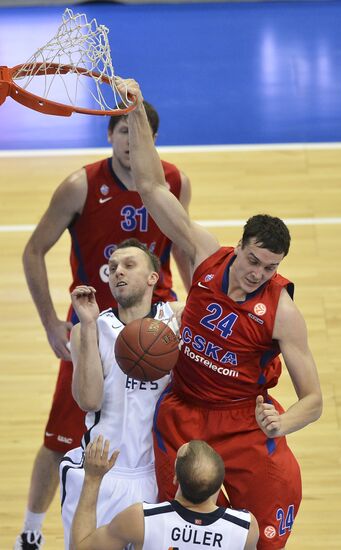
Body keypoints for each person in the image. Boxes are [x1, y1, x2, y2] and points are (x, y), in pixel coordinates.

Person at [115, 78, 323, 550]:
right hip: (184, 411)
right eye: (253, 261)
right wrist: (136, 113)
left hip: (242, 421)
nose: (257, 273)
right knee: (174, 537)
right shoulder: (206, 256)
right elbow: (150, 185)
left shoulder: (282, 312)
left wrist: (284, 422)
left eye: (269, 267)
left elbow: (314, 400)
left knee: (271, 523)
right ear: (240, 246)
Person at [15, 101, 191, 550]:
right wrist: (52, 323)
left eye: (140, 133)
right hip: (95, 327)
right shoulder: (81, 185)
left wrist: (197, 311)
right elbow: (33, 251)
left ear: (152, 139)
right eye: (124, 132)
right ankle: (31, 531)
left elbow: (186, 250)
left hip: (157, 325)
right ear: (109, 136)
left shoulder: (173, 182)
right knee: (60, 437)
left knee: (170, 429)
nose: (132, 142)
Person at [59, 238, 183, 549]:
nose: (118, 272)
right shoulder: (88, 330)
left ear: (153, 277)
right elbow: (88, 401)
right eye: (113, 267)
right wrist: (87, 326)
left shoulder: (178, 320)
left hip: (157, 472)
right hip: (100, 472)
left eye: (129, 265)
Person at [70, 435, 259, 550]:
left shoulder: (140, 519)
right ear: (220, 484)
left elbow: (81, 547)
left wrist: (92, 479)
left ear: (175, 478)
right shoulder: (245, 528)